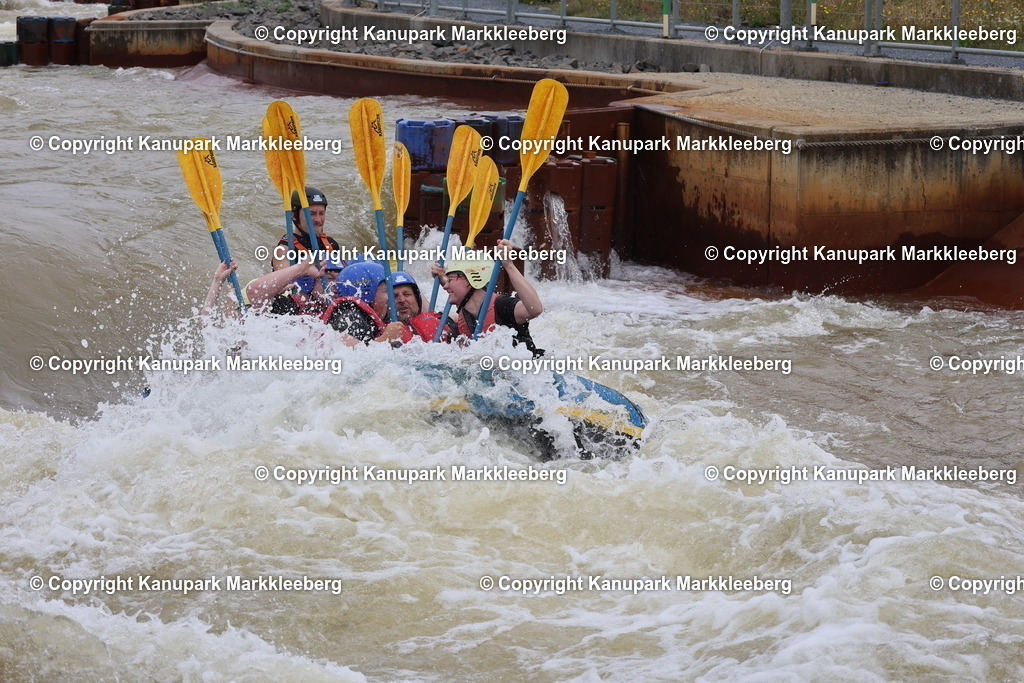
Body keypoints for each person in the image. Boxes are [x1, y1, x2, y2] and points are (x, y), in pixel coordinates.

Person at [430, 238, 543, 355]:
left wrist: (508, 264)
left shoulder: (502, 306)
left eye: (450, 280)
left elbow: (535, 309)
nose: (445, 286)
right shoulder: (463, 316)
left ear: (469, 280)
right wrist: (441, 278)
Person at [271, 186, 341, 272]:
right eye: (311, 214)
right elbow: (283, 283)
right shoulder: (284, 250)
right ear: (293, 215)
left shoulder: (331, 245)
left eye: (321, 213)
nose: (318, 220)